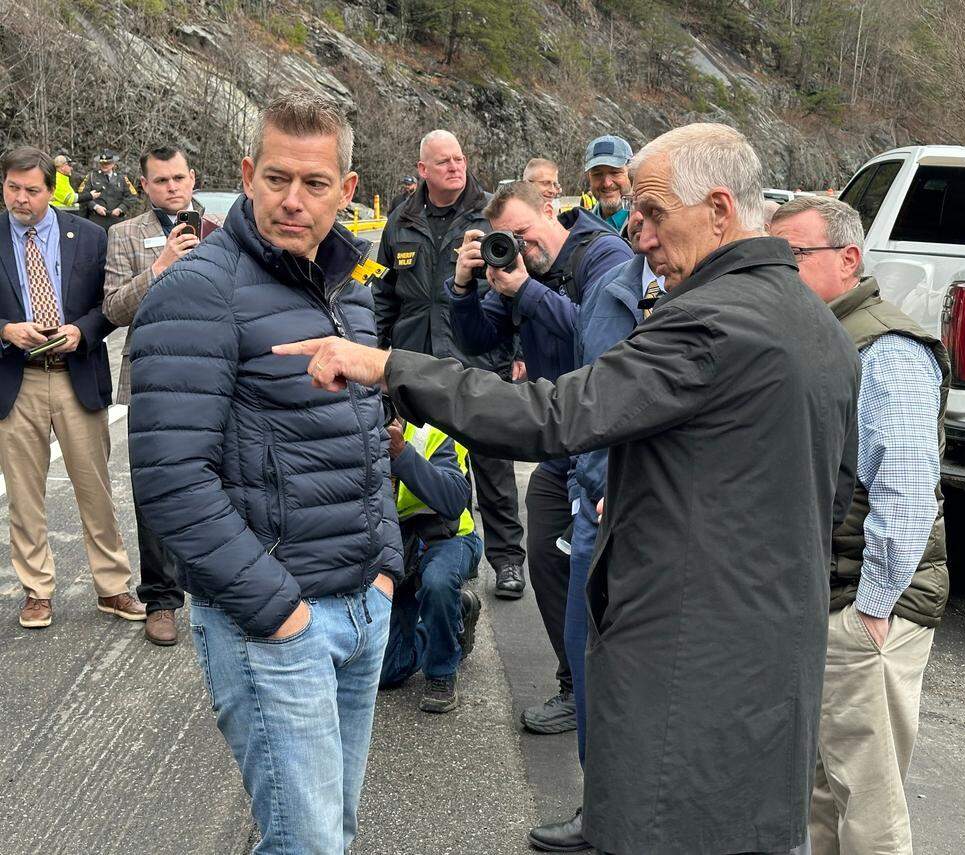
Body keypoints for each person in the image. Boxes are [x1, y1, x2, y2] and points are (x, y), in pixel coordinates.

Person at [274, 122, 860, 855]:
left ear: (717, 210)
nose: (637, 235)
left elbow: (551, 414)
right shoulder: (819, 324)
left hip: (688, 677)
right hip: (772, 674)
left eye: (652, 215)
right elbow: (830, 498)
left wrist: (389, 366)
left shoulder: (711, 322)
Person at [126, 94, 403, 853]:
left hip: (360, 610)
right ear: (247, 175)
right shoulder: (197, 292)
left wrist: (385, 564)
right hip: (278, 625)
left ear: (347, 192)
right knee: (304, 842)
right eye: (276, 177)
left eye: (315, 184)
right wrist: (278, 609)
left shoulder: (350, 290)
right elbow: (171, 482)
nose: (292, 200)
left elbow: (366, 438)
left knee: (328, 834)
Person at [770, 195, 949, 855]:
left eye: (793, 255)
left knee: (870, 814)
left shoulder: (889, 349)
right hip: (825, 599)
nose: (778, 270)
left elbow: (904, 495)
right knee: (821, 794)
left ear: (849, 259)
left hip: (865, 610)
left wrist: (872, 608)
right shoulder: (818, 336)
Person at [449, 179, 632, 735]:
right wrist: (464, 287)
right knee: (546, 555)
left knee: (590, 568)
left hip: (601, 436)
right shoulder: (515, 267)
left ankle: (605, 693)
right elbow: (479, 340)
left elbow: (593, 333)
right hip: (559, 439)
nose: (520, 248)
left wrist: (525, 289)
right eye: (509, 239)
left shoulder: (604, 254)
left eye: (525, 234)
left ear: (550, 209)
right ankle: (574, 684)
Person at [529, 207, 664, 852]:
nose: (642, 221)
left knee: (653, 681)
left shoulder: (719, 305)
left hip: (664, 523)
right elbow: (590, 404)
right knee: (593, 668)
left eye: (658, 210)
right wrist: (595, 487)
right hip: (598, 514)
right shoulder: (616, 289)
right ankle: (599, 812)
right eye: (640, 207)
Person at [373, 130, 528, 604]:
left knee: (491, 462)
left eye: (459, 159)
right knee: (414, 463)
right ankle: (417, 554)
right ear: (423, 170)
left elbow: (519, 285)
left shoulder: (489, 214)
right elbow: (382, 290)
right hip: (416, 364)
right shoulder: (401, 220)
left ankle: (506, 562)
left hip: (477, 359)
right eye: (443, 162)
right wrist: (378, 353)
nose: (455, 167)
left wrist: (519, 350)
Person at [0, 146, 141, 630]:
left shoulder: (87, 236)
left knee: (96, 490)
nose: (21, 198)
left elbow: (112, 305)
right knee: (24, 495)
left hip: (75, 376)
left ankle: (112, 587)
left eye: (32, 190)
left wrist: (83, 330)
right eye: (13, 188)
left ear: (50, 189)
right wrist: (5, 329)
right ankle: (37, 592)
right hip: (15, 383)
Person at [102, 145, 220, 647]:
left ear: (192, 178)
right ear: (145, 185)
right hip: (152, 374)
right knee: (155, 493)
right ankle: (162, 600)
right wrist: (161, 265)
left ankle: (221, 591)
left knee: (220, 484)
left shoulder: (220, 226)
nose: (172, 187)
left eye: (179, 178)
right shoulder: (124, 234)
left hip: (213, 372)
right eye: (161, 180)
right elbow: (111, 309)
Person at [378, 413, 484, 713]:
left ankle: (441, 672)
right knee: (388, 673)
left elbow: (452, 500)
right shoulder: (356, 429)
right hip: (396, 545)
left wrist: (401, 454)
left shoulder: (436, 431)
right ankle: (456, 614)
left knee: (437, 582)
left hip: (448, 537)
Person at [583, 135, 633, 233]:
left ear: (631, 174)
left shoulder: (648, 225)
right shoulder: (579, 228)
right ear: (589, 177)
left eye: (615, 172)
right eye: (598, 174)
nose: (607, 183)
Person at [78, 151, 136, 231]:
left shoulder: (121, 178)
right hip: (96, 220)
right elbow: (82, 195)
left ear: (113, 164)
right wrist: (95, 206)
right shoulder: (91, 176)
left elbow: (132, 196)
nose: (104, 166)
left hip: (116, 221)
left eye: (107, 164)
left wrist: (121, 208)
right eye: (102, 164)